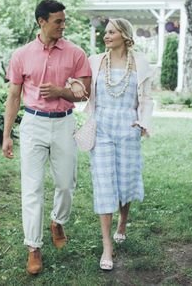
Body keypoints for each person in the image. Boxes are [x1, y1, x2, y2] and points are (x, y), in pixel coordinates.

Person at [2, 0, 91, 275]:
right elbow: (14, 96)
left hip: (64, 124)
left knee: (66, 184)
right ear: (42, 22)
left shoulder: (76, 53)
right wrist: (7, 135)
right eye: (58, 21)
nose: (63, 26)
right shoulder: (21, 55)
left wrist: (62, 92)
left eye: (64, 21)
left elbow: (85, 92)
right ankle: (34, 247)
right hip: (33, 124)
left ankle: (57, 220)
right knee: (32, 188)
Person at [71, 18, 153, 271]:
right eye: (105, 32)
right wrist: (73, 87)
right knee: (105, 183)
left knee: (125, 180)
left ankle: (122, 223)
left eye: (111, 32)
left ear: (124, 35)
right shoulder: (95, 61)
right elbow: (83, 90)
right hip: (102, 127)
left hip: (128, 128)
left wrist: (142, 122)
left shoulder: (140, 63)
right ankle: (107, 246)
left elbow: (147, 99)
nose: (106, 36)